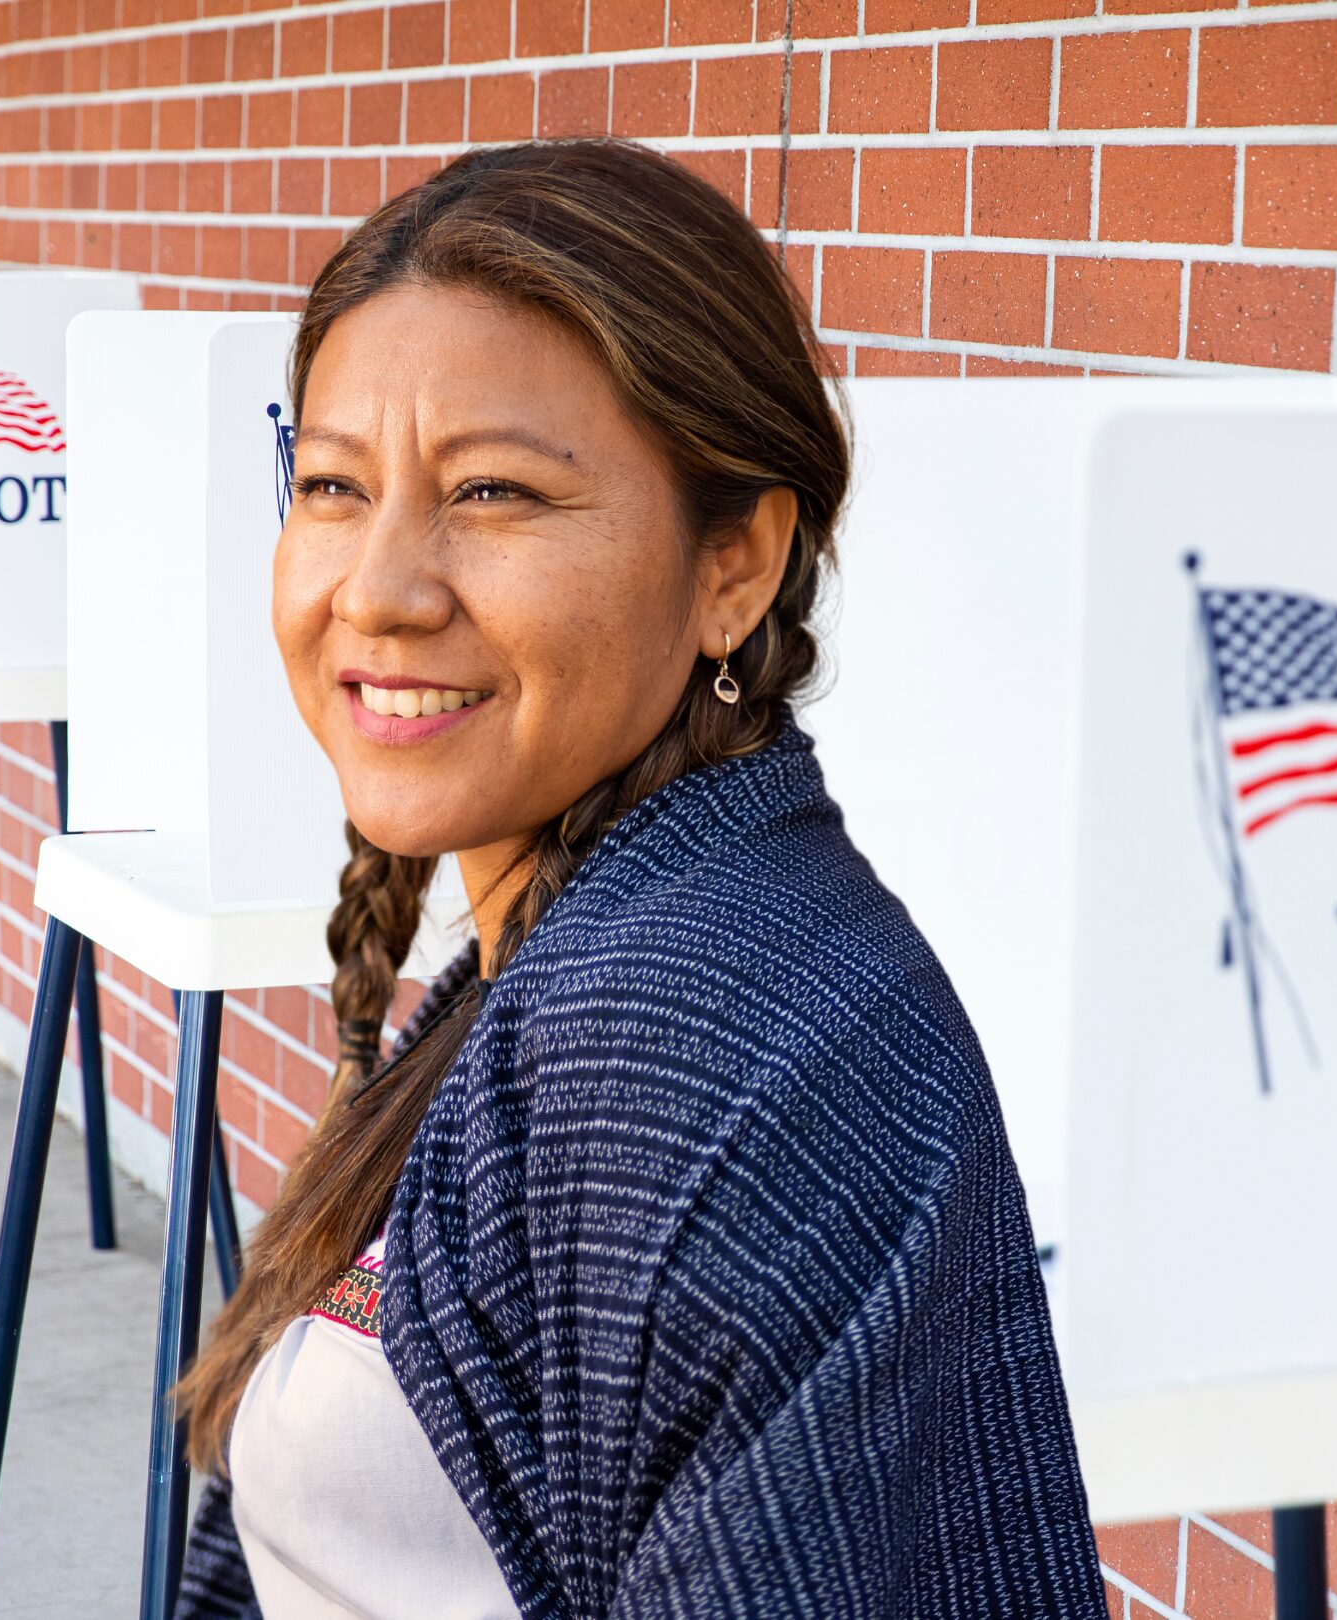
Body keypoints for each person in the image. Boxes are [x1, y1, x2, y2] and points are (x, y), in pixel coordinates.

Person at [167, 136, 1108, 1619]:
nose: (381, 587)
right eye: (335, 486)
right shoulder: (606, 950)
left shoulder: (678, 1027)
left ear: (734, 561)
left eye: (495, 495)